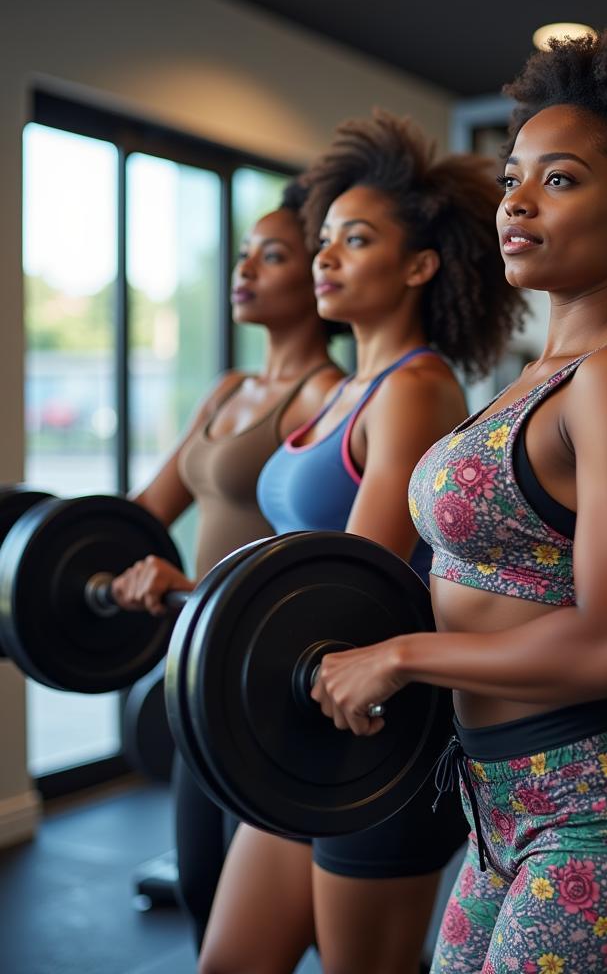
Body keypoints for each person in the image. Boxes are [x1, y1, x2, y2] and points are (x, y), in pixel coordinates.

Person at [312, 25, 607, 973]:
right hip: (503, 800)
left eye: (559, 179)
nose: (517, 200)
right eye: (514, 176)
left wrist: (399, 657)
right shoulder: (536, 378)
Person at [197, 112, 525, 974]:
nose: (324, 257)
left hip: (376, 731)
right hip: (306, 716)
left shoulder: (415, 388)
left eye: (356, 239)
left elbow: (351, 585)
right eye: (324, 241)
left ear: (418, 266)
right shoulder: (341, 395)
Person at [111, 185, 343, 948]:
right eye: (245, 252)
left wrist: (194, 590)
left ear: (315, 275)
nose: (244, 268)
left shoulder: (330, 399)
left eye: (271, 256)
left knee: (303, 922)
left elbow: (322, 564)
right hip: (194, 672)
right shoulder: (230, 390)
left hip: (262, 678)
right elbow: (145, 511)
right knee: (206, 895)